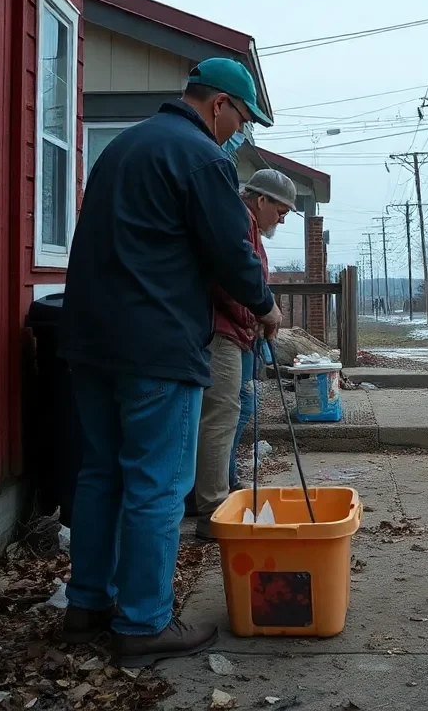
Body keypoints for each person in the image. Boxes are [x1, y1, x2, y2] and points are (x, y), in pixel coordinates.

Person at [57, 58, 282, 668]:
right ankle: (144, 623)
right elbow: (231, 253)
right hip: (156, 346)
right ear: (218, 107)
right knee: (159, 484)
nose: (240, 131)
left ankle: (87, 607)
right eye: (241, 118)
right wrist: (265, 308)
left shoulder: (121, 149)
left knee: (101, 474)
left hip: (90, 340)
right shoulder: (201, 158)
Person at [191, 169, 297, 539]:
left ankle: (216, 492)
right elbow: (229, 276)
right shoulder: (236, 219)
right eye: (280, 210)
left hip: (235, 331)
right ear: (261, 199)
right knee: (220, 416)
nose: (282, 219)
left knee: (234, 408)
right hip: (220, 332)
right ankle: (213, 511)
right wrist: (255, 312)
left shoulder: (247, 223)